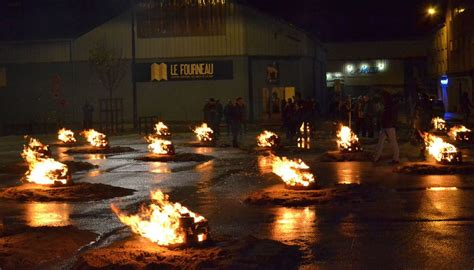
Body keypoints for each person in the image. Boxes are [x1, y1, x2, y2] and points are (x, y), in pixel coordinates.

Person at [374, 91, 400, 164]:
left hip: (388, 126)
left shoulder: (389, 105)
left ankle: (395, 158)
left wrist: (385, 123)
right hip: (387, 126)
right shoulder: (390, 105)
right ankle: (377, 157)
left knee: (391, 142)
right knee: (383, 142)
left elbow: (389, 116)